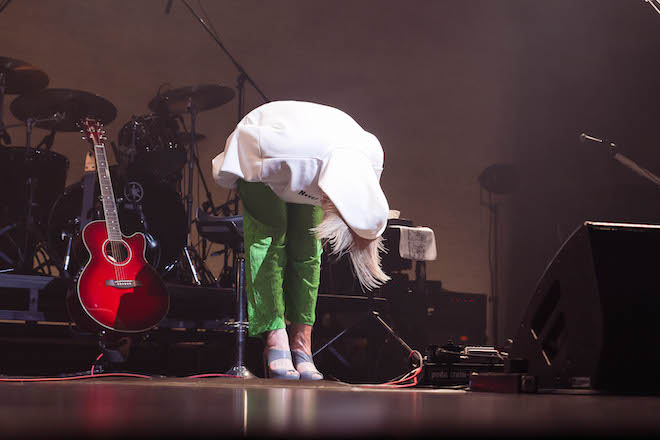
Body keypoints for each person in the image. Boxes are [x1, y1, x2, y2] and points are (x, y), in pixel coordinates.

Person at [212, 100, 390, 380]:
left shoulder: (371, 158)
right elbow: (269, 241)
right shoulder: (284, 154)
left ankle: (302, 341)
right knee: (270, 242)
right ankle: (275, 336)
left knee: (308, 250)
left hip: (313, 158)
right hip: (263, 152)